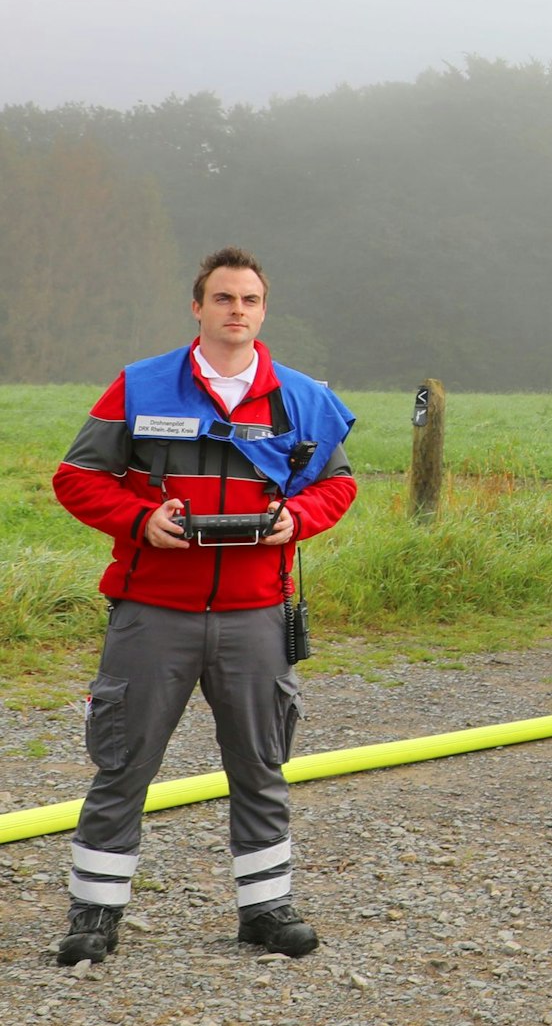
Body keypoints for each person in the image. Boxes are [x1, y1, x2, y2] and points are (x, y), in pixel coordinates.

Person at [50, 248, 356, 965]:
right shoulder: (140, 385)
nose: (236, 311)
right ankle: (94, 916)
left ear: (262, 310)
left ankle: (265, 911)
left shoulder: (304, 397)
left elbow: (337, 485)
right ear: (198, 307)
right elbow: (75, 477)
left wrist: (297, 518)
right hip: (153, 609)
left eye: (249, 300)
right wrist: (139, 520)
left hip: (256, 614)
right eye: (223, 299)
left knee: (261, 763)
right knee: (124, 764)